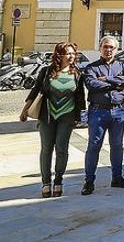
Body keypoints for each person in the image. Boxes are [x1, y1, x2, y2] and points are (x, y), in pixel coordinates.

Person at [20, 42, 85, 198]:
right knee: (46, 149)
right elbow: (35, 91)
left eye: (73, 54)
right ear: (59, 55)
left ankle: (58, 181)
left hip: (67, 116)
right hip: (47, 116)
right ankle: (46, 183)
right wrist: (25, 110)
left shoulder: (77, 74)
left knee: (62, 149)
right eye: (68, 53)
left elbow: (80, 97)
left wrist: (79, 117)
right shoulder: (46, 71)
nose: (71, 57)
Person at [81, 36, 124, 195]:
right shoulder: (91, 67)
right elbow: (92, 84)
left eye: (111, 47)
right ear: (100, 48)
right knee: (94, 146)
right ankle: (89, 181)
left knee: (117, 145)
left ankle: (117, 177)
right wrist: (115, 83)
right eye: (105, 47)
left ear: (117, 50)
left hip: (119, 111)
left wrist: (107, 79)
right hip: (98, 111)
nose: (108, 50)